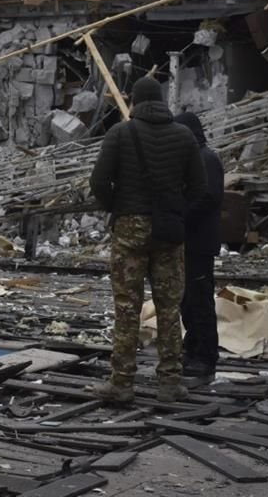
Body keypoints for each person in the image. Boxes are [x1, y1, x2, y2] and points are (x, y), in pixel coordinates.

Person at [89, 76, 205, 403]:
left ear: (135, 101)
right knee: (169, 307)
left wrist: (118, 208)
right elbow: (199, 187)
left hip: (130, 227)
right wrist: (177, 211)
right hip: (169, 230)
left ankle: (122, 382)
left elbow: (98, 181)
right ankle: (170, 381)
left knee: (127, 307)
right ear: (162, 100)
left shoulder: (119, 134)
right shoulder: (183, 136)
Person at [174, 112, 224, 380]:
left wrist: (180, 216)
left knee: (200, 301)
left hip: (199, 242)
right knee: (188, 302)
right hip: (191, 241)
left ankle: (205, 357)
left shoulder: (206, 159)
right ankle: (192, 350)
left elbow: (207, 197)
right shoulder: (196, 160)